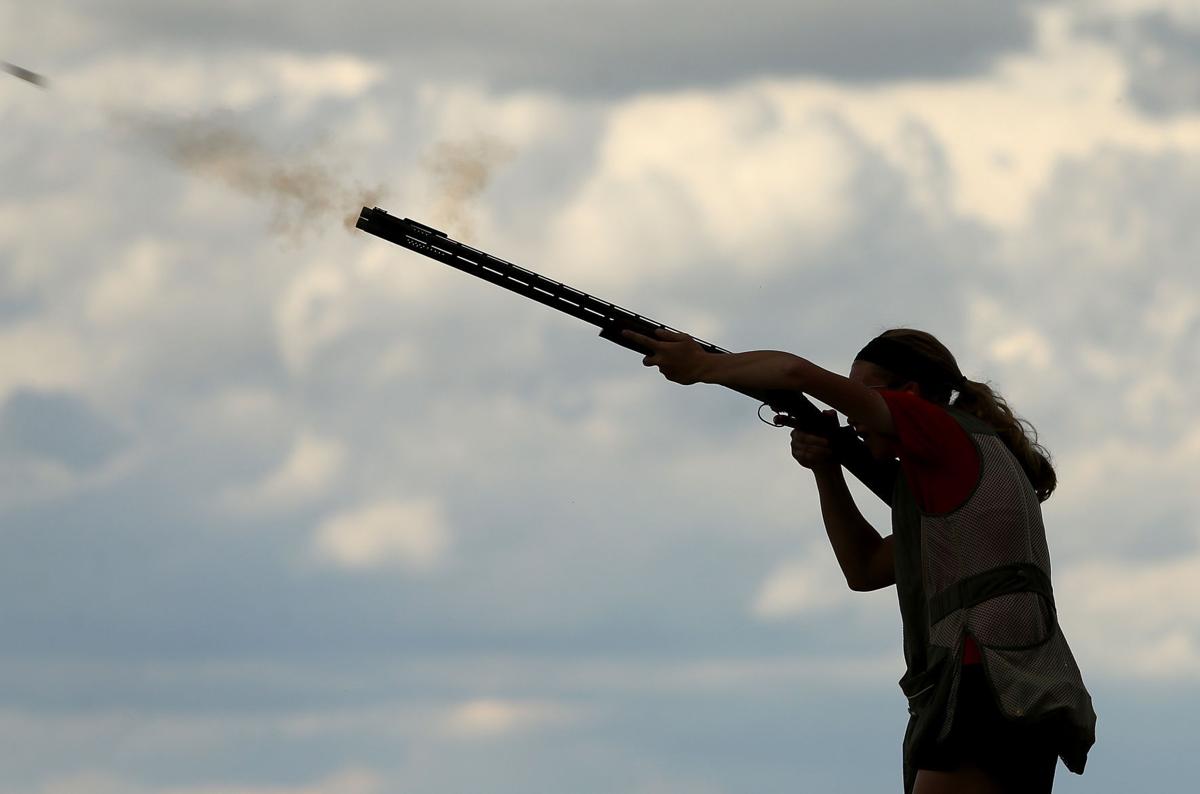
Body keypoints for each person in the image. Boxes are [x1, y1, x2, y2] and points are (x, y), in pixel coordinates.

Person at [622, 326, 1096, 794]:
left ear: (907, 395)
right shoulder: (949, 472)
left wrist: (704, 367)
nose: (852, 417)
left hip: (981, 689)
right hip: (1016, 695)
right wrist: (828, 467)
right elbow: (865, 569)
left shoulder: (940, 428)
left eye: (861, 398)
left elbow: (793, 370)